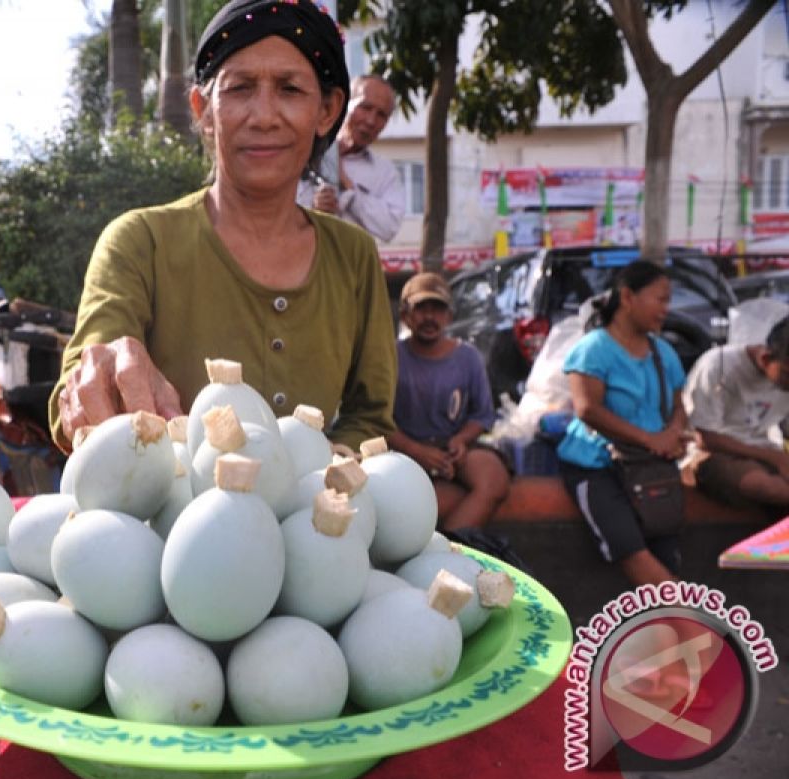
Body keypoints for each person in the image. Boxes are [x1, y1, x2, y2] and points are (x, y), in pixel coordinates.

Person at [49, 0, 398, 454]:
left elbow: (371, 416)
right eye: (240, 89)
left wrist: (315, 475)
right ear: (203, 109)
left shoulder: (353, 254)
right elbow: (74, 396)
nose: (264, 115)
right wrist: (102, 377)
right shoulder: (140, 242)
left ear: (328, 111)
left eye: (290, 89)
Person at [557, 260, 689, 586]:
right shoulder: (593, 350)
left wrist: (672, 433)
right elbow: (588, 409)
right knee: (633, 552)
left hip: (651, 467)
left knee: (666, 552)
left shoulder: (663, 351)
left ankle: (678, 625)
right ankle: (689, 622)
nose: (665, 309)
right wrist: (650, 439)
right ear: (628, 297)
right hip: (597, 465)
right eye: (660, 299)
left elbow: (679, 405)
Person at [387, 272, 509, 534]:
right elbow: (377, 420)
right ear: (406, 315)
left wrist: (461, 440)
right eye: (421, 309)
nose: (430, 317)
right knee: (417, 503)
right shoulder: (391, 356)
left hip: (451, 452)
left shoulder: (468, 357)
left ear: (449, 316)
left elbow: (482, 415)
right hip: (402, 453)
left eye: (438, 309)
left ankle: (455, 550)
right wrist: (417, 451)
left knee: (494, 479)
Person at [683, 315, 789, 510]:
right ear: (766, 359)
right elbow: (705, 438)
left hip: (765, 450)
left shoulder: (783, 382)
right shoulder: (719, 366)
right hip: (712, 452)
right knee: (763, 485)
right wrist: (774, 457)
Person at [295, 73, 405, 243]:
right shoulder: (305, 153)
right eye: (365, 107)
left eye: (381, 115)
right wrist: (312, 210)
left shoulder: (386, 173)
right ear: (344, 104)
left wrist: (349, 187)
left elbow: (388, 228)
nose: (371, 121)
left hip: (354, 267)